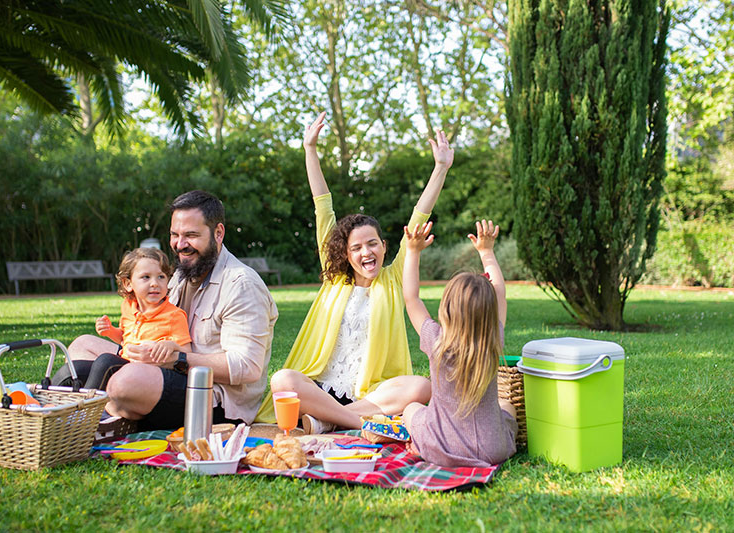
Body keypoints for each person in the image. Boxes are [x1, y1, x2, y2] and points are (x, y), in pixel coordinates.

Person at [254, 111, 453, 433]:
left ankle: (324, 422)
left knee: (420, 387)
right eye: (356, 248)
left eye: (372, 244)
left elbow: (419, 216)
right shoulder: (335, 278)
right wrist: (310, 149)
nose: (366, 252)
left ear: (385, 246)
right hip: (319, 387)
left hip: (370, 394)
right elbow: (323, 206)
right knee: (283, 379)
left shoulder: (393, 279)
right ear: (345, 254)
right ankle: (357, 423)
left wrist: (441, 168)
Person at [55, 190, 278, 432]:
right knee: (81, 346)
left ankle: (96, 419)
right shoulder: (182, 273)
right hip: (162, 368)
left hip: (212, 399)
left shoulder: (241, 284)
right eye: (175, 235)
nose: (180, 245)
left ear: (218, 233)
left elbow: (247, 367)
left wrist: (178, 360)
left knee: (124, 382)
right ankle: (72, 411)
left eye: (191, 235)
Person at [401, 219, 517, 467]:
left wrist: (412, 252)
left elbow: (411, 299)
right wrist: (486, 252)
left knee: (411, 409)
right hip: (491, 449)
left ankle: (419, 446)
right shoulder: (492, 338)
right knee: (507, 405)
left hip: (440, 447)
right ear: (489, 312)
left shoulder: (436, 341)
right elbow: (499, 292)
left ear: (447, 309)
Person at [81, 247, 193, 390]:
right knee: (77, 368)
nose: (155, 283)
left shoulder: (174, 315)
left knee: (105, 361)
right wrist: (110, 331)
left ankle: (85, 410)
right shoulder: (128, 306)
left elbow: (187, 352)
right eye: (146, 277)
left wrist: (171, 346)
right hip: (126, 363)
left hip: (149, 374)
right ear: (128, 284)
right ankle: (50, 406)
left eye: (161, 277)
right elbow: (124, 338)